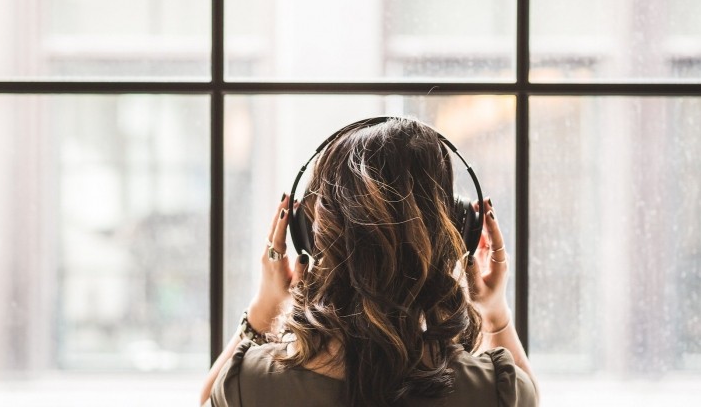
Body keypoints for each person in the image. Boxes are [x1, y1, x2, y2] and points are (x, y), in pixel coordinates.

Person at [200, 117, 538, 407]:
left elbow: (209, 400)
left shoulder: (250, 384)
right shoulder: (496, 389)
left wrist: (263, 310)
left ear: (307, 237)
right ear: (458, 230)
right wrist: (496, 314)